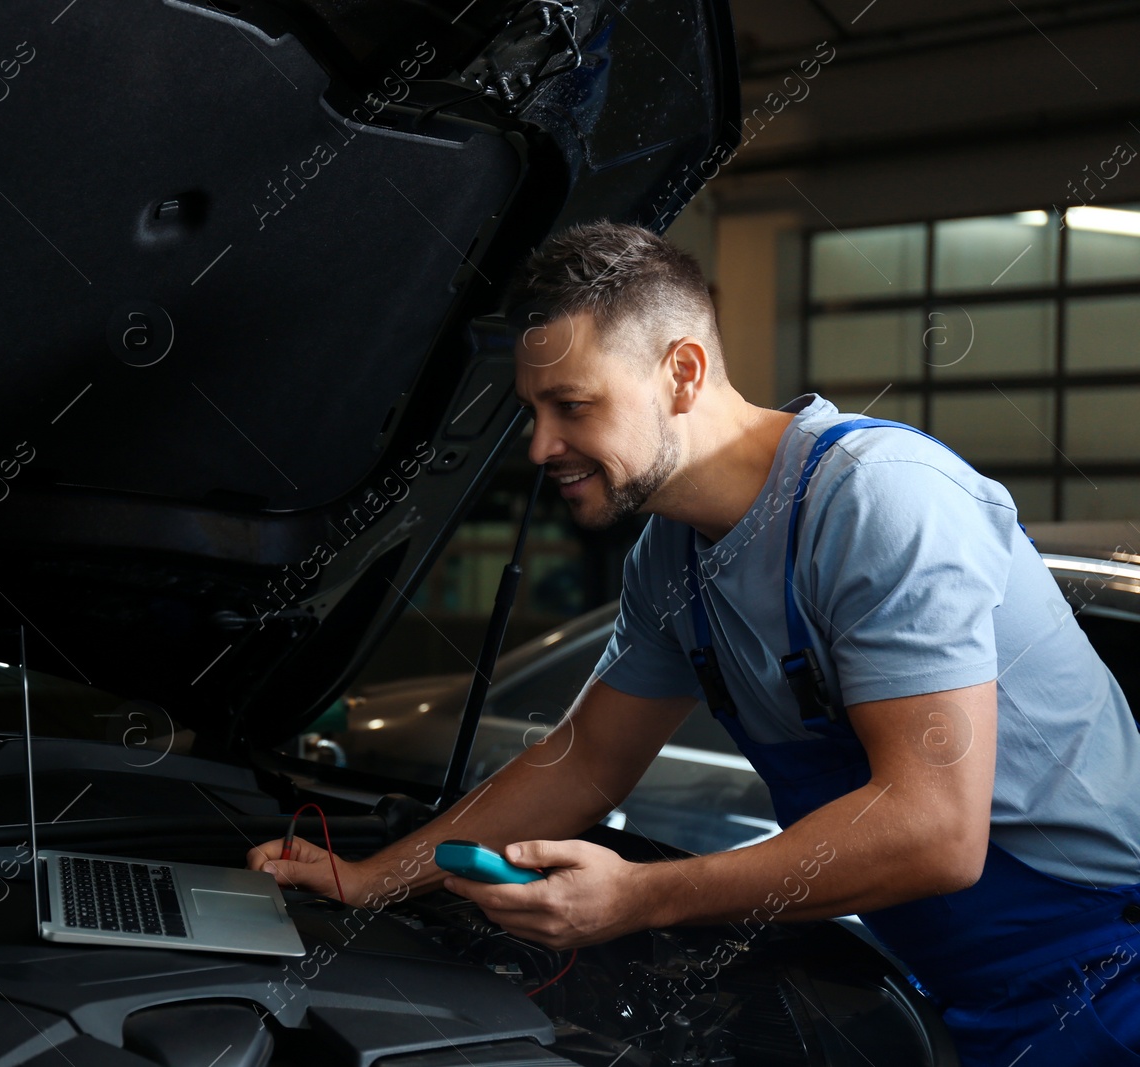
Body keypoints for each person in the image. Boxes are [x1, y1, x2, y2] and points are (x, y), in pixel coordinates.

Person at [247, 220, 1140, 1064]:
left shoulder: (881, 501)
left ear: (682, 371)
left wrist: (638, 899)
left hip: (1111, 978)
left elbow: (935, 833)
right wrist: (372, 880)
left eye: (571, 405)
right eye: (533, 410)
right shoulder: (668, 557)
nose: (540, 445)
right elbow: (587, 761)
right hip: (959, 992)